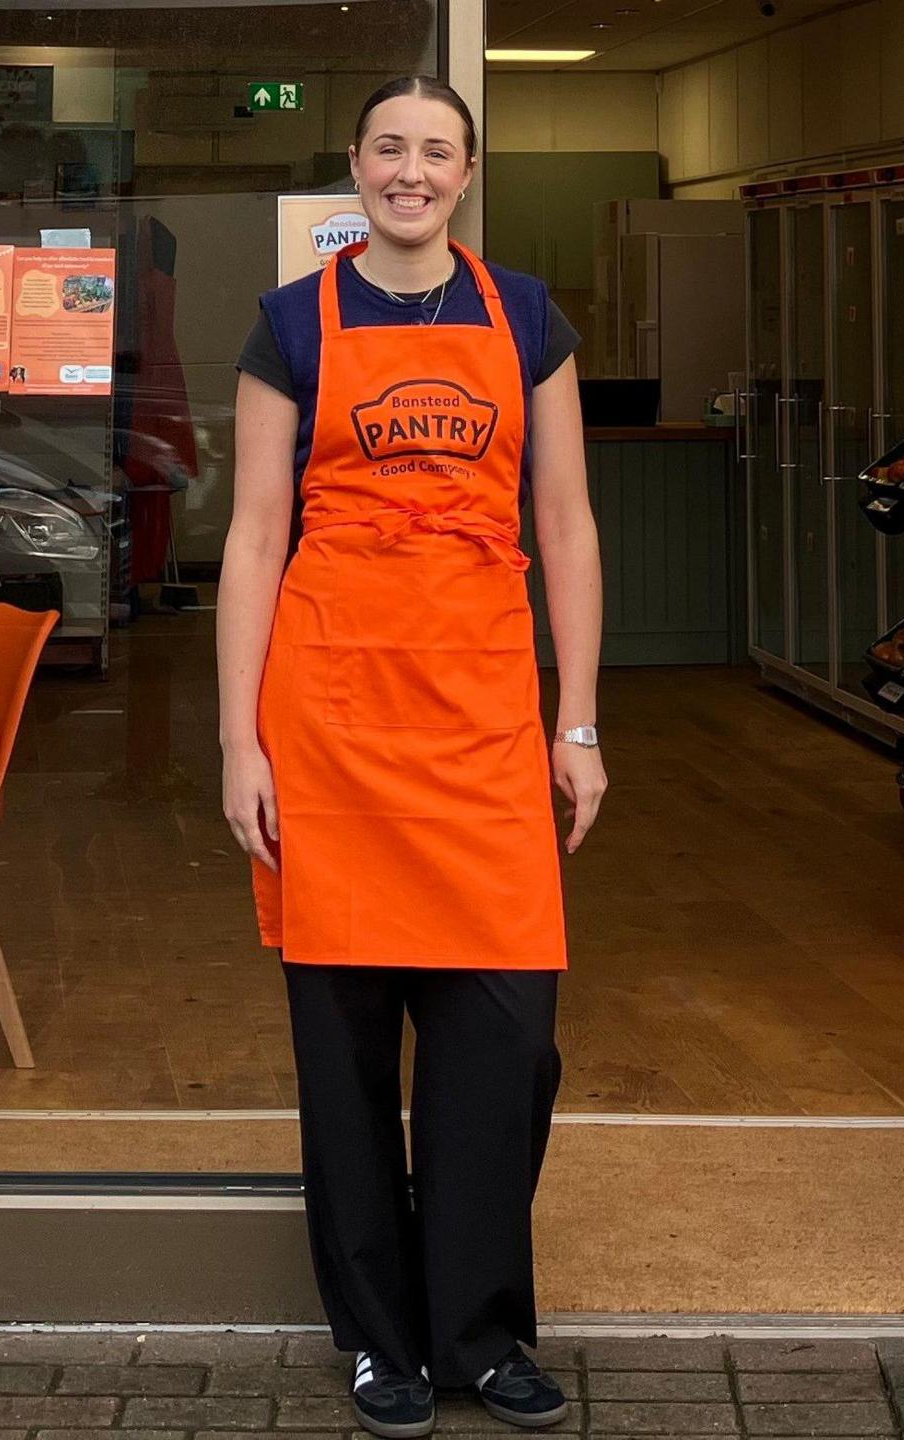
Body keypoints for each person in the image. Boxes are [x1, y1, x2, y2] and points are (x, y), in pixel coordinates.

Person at [215, 74, 606, 1440]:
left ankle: (483, 1334)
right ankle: (382, 1344)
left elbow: (563, 525)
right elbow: (257, 539)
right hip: (327, 728)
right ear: (358, 167)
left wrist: (581, 720)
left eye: (437, 151)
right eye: (390, 148)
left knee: (504, 1050)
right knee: (344, 1056)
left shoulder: (529, 316)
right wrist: (236, 742)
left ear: (468, 172)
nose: (411, 170)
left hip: (487, 729)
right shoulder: (291, 325)